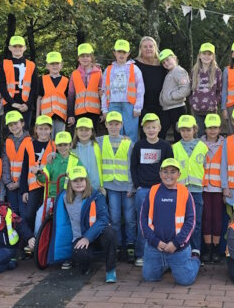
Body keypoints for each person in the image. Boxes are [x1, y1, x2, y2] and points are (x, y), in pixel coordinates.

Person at [140, 158, 200, 286]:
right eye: (165, 171)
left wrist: (176, 243)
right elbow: (143, 219)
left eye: (173, 172)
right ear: (160, 174)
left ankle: (195, 258)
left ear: (179, 174)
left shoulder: (185, 193)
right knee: (149, 277)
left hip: (177, 248)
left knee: (185, 281)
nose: (168, 175)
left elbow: (191, 222)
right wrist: (155, 242)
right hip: (155, 247)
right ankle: (166, 263)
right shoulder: (153, 191)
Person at [130, 113, 173, 266]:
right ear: (143, 129)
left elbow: (169, 168)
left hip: (160, 189)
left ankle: (162, 252)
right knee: (143, 223)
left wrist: (166, 186)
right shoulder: (139, 145)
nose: (151, 130)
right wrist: (138, 185)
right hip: (143, 190)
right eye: (148, 127)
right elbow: (133, 167)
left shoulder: (165, 146)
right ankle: (141, 254)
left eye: (154, 127)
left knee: (161, 221)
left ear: (160, 128)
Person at [62, 166, 118, 282]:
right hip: (79, 237)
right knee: (80, 254)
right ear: (70, 183)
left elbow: (103, 219)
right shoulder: (64, 198)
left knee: (110, 233)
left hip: (97, 235)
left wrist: (88, 237)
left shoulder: (96, 195)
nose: (79, 183)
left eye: (81, 180)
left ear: (86, 181)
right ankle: (86, 263)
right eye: (75, 181)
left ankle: (110, 270)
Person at [96, 111, 136, 263]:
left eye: (116, 124)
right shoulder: (99, 141)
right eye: (110, 124)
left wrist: (131, 186)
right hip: (110, 187)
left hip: (126, 186)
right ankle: (118, 244)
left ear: (121, 125)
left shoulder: (128, 142)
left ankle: (130, 243)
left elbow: (131, 167)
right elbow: (81, 144)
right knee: (115, 217)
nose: (113, 127)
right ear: (105, 125)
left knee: (130, 217)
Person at [171, 115, 208, 257]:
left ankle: (195, 249)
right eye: (182, 130)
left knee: (196, 221)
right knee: (181, 221)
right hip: (180, 191)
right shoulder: (175, 147)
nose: (185, 133)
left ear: (195, 130)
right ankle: (182, 247)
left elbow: (206, 167)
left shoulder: (202, 147)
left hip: (197, 190)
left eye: (188, 130)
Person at [34, 131, 80, 235]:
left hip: (68, 197)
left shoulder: (75, 161)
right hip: (52, 197)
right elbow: (43, 178)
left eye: (65, 145)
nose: (62, 147)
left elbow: (81, 176)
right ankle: (37, 240)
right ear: (56, 146)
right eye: (60, 145)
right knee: (39, 214)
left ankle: (74, 238)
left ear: (70, 145)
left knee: (70, 217)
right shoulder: (52, 160)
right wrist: (38, 173)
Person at [102, 39, 145, 142]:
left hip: (130, 105)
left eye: (124, 52)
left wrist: (138, 107)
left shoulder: (134, 69)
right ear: (114, 53)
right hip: (112, 104)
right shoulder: (108, 70)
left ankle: (131, 156)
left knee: (131, 133)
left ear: (128, 54)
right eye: (119, 52)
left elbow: (140, 89)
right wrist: (104, 109)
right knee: (114, 133)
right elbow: (104, 90)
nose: (121, 55)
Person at [0, 35, 38, 130]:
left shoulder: (31, 65)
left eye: (20, 46)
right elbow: (1, 86)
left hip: (26, 105)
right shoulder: (4, 64)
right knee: (11, 132)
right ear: (9, 48)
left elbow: (35, 87)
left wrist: (28, 104)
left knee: (25, 132)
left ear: (24, 48)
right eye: (14, 46)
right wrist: (12, 103)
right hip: (10, 104)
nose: (17, 49)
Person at [200, 113, 224, 263]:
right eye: (210, 128)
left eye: (215, 128)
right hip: (203, 186)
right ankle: (207, 247)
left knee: (217, 218)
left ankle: (216, 247)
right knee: (206, 218)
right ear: (205, 129)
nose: (212, 131)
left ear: (220, 128)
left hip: (218, 187)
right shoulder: (199, 144)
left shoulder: (225, 144)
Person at [2, 110, 34, 216]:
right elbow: (5, 164)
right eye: (10, 125)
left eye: (16, 123)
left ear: (22, 123)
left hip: (24, 184)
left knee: (23, 211)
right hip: (11, 185)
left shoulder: (30, 141)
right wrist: (7, 182)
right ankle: (13, 232)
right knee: (13, 211)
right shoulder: (7, 142)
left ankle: (25, 233)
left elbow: (30, 165)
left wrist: (20, 183)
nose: (13, 126)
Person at [134, 36, 167, 137]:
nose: (148, 49)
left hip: (160, 105)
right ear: (140, 49)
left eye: (150, 46)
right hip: (142, 105)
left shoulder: (163, 64)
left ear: (155, 48)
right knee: (146, 135)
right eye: (145, 46)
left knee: (160, 135)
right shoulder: (134, 64)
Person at [190, 43, 222, 137]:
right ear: (200, 55)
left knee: (211, 136)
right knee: (199, 135)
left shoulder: (217, 71)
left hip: (211, 110)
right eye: (204, 54)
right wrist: (192, 102)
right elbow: (190, 89)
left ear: (213, 56)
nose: (206, 56)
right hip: (197, 110)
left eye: (209, 54)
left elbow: (219, 90)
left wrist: (215, 101)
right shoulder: (194, 71)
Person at [158, 49, 191, 141]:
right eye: (164, 63)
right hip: (167, 108)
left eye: (168, 60)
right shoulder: (170, 73)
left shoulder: (179, 71)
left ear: (174, 58)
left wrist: (172, 96)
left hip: (177, 108)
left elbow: (186, 89)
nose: (166, 63)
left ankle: (178, 154)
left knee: (179, 133)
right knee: (161, 131)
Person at [68, 43, 102, 132]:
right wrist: (70, 114)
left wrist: (103, 112)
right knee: (79, 138)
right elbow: (71, 95)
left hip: (94, 112)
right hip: (79, 112)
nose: (85, 58)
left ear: (91, 58)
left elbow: (103, 94)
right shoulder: (74, 74)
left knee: (93, 138)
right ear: (78, 58)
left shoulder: (99, 73)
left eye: (87, 56)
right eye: (82, 56)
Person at [37, 51, 69, 138]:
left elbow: (68, 99)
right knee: (47, 141)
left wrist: (69, 116)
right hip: (46, 117)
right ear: (47, 66)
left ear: (61, 65)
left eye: (57, 63)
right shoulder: (42, 80)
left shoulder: (66, 81)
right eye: (52, 64)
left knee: (60, 140)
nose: (55, 66)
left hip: (61, 117)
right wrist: (37, 117)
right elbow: (39, 98)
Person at [72, 117, 103, 190]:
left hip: (97, 188)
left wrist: (123, 137)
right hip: (79, 189)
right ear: (76, 131)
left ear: (92, 132)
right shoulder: (71, 149)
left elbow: (112, 138)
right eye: (81, 130)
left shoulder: (99, 144)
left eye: (87, 130)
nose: (84, 133)